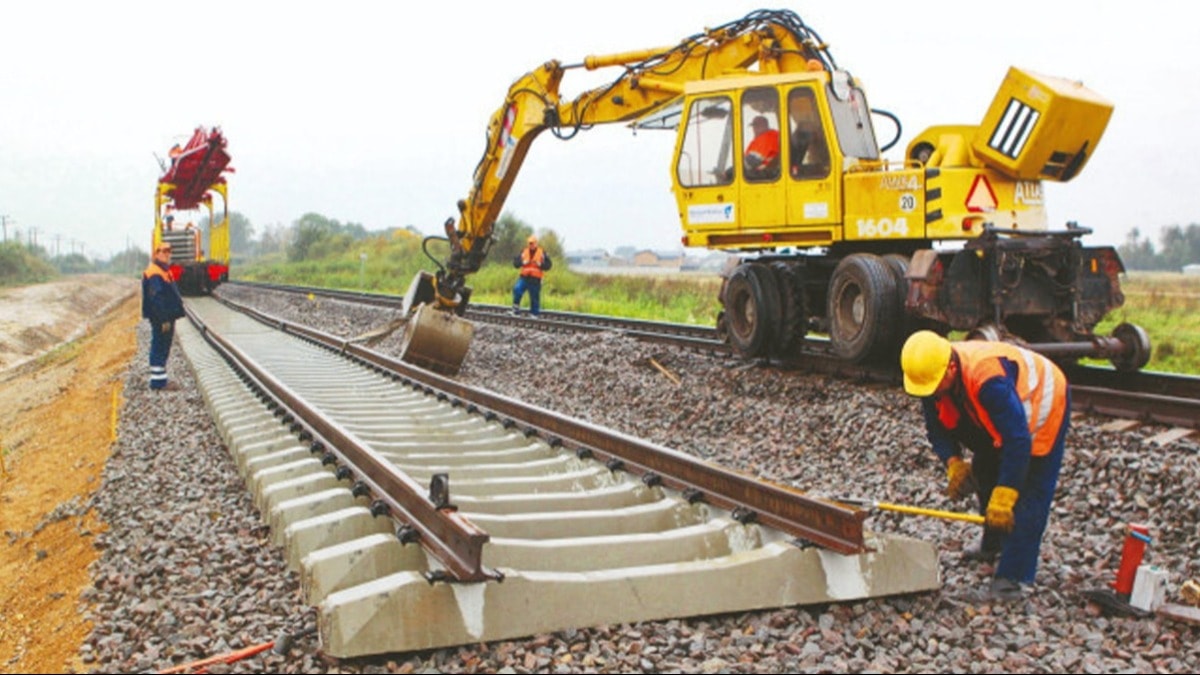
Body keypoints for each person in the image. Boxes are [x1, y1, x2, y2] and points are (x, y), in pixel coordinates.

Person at [900, 330, 1070, 602]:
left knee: (1029, 493)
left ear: (951, 369)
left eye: (935, 387)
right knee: (985, 470)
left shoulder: (988, 381)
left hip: (1042, 404)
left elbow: (1017, 441)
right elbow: (937, 429)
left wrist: (1006, 493)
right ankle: (993, 543)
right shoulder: (931, 374)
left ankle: (1011, 578)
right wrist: (953, 463)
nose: (930, 395)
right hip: (1002, 415)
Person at [142, 243, 186, 391]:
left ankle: (161, 379)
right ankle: (158, 382)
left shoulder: (163, 270)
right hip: (161, 318)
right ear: (156, 254)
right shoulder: (155, 272)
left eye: (169, 251)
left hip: (166, 316)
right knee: (160, 345)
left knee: (163, 345)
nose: (167, 254)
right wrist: (164, 319)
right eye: (164, 251)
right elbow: (156, 298)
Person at [511, 234, 552, 316]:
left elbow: (549, 265)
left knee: (534, 297)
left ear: (536, 243)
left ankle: (534, 314)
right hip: (524, 278)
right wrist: (522, 263)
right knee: (517, 289)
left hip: (535, 279)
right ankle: (515, 310)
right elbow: (515, 263)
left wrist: (540, 264)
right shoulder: (524, 252)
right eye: (530, 243)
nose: (531, 245)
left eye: (533, 243)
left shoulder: (542, 252)